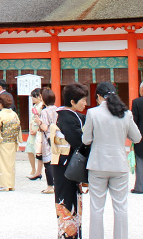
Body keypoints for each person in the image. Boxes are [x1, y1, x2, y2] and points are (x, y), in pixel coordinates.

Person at [82, 82, 142, 239]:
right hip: (119, 164)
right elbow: (137, 137)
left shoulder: (92, 113)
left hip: (98, 164)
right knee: (120, 206)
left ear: (100, 96)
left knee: (96, 207)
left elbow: (86, 139)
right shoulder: (125, 113)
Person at [53, 82, 89, 239]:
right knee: (67, 199)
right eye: (83, 100)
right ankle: (69, 235)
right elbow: (78, 141)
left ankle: (72, 234)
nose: (86, 103)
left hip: (65, 161)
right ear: (72, 102)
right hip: (66, 163)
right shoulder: (66, 117)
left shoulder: (66, 115)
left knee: (72, 198)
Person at [0, 92, 22, 191]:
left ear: (0, 104)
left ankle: (4, 184)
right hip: (12, 141)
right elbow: (18, 127)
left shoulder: (0, 114)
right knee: (10, 163)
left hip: (3, 141)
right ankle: (10, 184)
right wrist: (18, 139)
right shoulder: (14, 114)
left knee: (2, 163)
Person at [38, 87, 59, 194]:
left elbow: (45, 127)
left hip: (48, 139)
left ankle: (50, 186)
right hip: (57, 138)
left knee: (48, 163)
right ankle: (57, 184)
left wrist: (38, 122)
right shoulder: (57, 109)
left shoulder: (45, 111)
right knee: (56, 161)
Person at [26, 87, 45, 180]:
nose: (32, 98)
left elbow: (42, 121)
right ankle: (33, 169)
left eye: (34, 97)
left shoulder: (42, 106)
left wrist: (36, 129)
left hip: (38, 130)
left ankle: (38, 171)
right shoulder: (34, 107)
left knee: (37, 151)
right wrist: (30, 128)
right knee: (30, 150)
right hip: (32, 129)